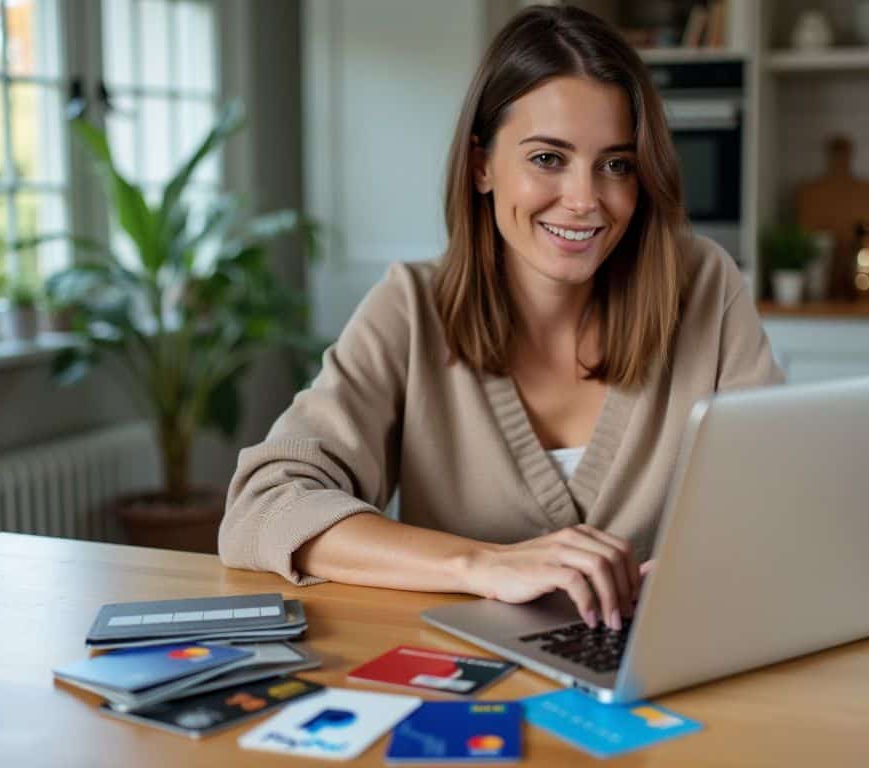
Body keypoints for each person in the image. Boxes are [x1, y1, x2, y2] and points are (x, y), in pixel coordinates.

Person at [219, 5, 782, 631]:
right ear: (482, 164)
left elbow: (782, 505)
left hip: (658, 679)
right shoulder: (411, 308)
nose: (585, 199)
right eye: (548, 158)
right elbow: (263, 507)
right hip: (466, 680)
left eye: (616, 164)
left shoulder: (705, 285)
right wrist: (481, 564)